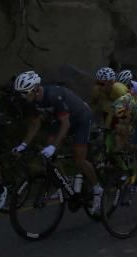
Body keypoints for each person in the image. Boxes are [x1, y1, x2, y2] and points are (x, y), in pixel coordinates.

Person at [12, 71, 103, 213]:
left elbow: (65, 125)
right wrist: (23, 145)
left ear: (36, 89)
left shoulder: (53, 95)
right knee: (49, 151)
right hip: (61, 119)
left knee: (79, 158)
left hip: (80, 118)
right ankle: (64, 183)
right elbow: (35, 124)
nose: (23, 96)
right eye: (21, 93)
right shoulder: (31, 101)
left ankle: (98, 189)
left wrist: (54, 147)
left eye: (25, 93)